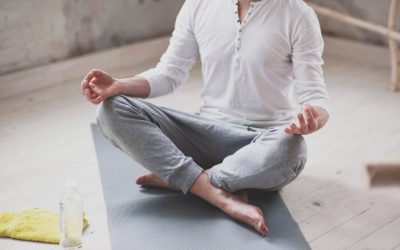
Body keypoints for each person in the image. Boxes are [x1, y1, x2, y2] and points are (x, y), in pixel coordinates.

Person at [81, 0, 329, 236]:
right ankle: (215, 192)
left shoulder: (298, 14)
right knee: (110, 109)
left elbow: (314, 96)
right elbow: (169, 73)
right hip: (205, 132)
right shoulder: (198, 4)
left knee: (293, 149)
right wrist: (118, 85)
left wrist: (312, 119)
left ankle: (184, 178)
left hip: (262, 143)